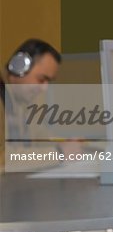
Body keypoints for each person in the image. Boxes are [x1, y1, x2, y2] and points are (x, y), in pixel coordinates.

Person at [0, 38, 83, 173]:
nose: (44, 88)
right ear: (18, 66)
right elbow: (2, 159)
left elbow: (37, 138)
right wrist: (59, 153)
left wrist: (65, 146)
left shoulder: (20, 100)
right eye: (41, 79)